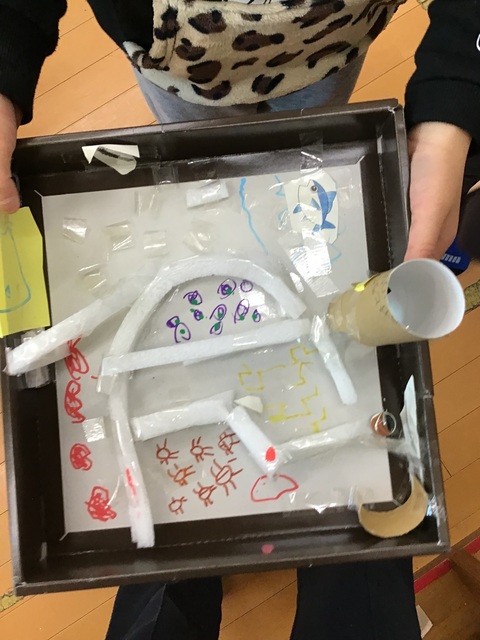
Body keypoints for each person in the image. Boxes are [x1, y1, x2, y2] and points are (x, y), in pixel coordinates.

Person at [0, 1, 478, 638]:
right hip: (178, 58)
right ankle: (189, 566)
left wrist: (453, 103)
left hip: (328, 41)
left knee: (307, 108)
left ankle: (199, 569)